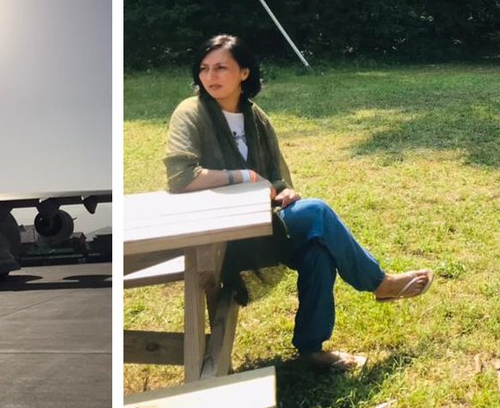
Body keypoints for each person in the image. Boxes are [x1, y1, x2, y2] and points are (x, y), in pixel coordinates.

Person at [164, 34, 433, 371]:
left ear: (244, 73)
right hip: (221, 237)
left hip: (264, 223)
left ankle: (311, 349)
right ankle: (380, 284)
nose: (210, 76)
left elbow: (275, 178)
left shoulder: (254, 116)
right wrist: (243, 177)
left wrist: (284, 191)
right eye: (204, 68)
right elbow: (181, 177)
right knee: (318, 212)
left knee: (318, 253)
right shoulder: (191, 113)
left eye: (221, 68)